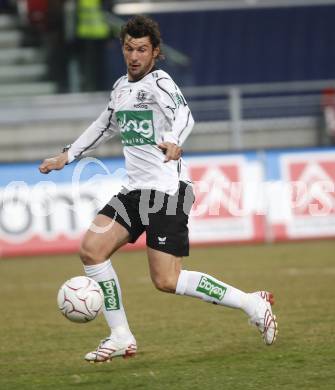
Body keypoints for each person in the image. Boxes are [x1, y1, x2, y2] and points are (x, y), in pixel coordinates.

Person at [39, 15, 278, 363]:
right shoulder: (121, 87)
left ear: (155, 52)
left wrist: (174, 141)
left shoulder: (161, 82)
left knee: (166, 280)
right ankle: (120, 336)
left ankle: (251, 303)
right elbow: (104, 124)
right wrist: (68, 155)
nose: (134, 56)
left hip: (167, 190)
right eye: (128, 48)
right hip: (134, 191)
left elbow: (185, 115)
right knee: (91, 250)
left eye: (141, 49)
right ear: (122, 49)